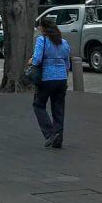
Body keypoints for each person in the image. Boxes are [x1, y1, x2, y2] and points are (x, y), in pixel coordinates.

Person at [31, 16, 71, 148]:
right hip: (61, 78)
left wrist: (30, 61)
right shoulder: (63, 42)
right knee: (58, 107)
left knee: (39, 104)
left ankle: (50, 133)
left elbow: (37, 60)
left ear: (42, 28)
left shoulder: (41, 40)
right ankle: (58, 134)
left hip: (46, 77)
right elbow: (67, 63)